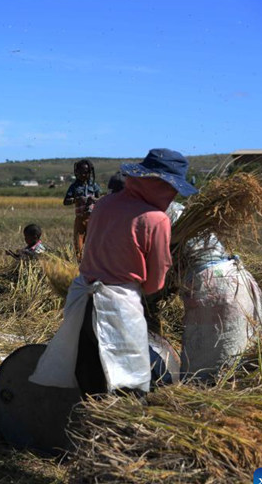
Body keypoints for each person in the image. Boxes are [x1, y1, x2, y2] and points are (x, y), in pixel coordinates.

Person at [29, 148, 198, 398]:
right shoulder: (156, 220)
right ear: (157, 184)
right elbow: (155, 281)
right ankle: (115, 430)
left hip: (80, 302)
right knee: (127, 381)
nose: (173, 195)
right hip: (119, 308)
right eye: (171, 188)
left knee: (89, 376)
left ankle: (83, 429)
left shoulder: (104, 204)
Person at [165, 203, 262, 381]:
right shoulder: (178, 209)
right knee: (243, 356)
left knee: (209, 370)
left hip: (212, 288)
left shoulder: (154, 216)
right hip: (234, 275)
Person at [63, 159, 101, 262]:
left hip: (93, 219)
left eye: (86, 172)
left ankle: (92, 263)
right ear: (76, 172)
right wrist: (76, 199)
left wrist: (94, 200)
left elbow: (101, 200)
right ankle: (80, 263)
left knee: (93, 243)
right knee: (78, 244)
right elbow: (66, 201)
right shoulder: (74, 187)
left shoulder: (94, 185)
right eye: (81, 172)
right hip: (80, 219)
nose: (84, 175)